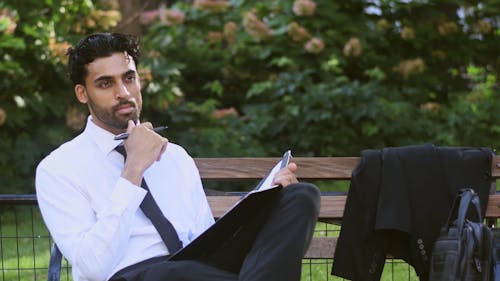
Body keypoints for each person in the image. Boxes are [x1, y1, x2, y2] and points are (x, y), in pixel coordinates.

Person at [36, 32, 320, 281]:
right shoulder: (59, 168)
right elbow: (95, 268)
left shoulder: (175, 156)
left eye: (129, 78)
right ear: (82, 93)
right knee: (166, 273)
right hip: (136, 276)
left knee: (300, 196)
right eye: (105, 84)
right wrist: (133, 169)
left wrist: (264, 202)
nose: (123, 93)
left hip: (198, 267)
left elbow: (204, 238)